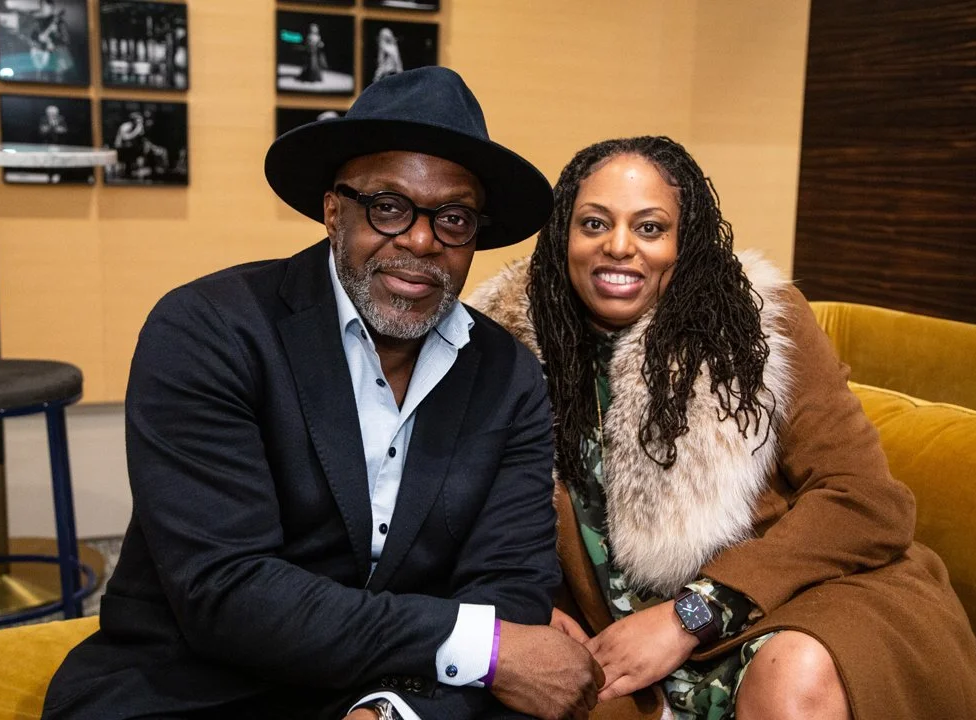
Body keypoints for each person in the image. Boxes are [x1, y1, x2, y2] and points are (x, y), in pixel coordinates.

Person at [43, 67, 603, 720]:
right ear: (335, 211)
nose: (422, 240)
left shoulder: (508, 375)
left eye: (453, 218)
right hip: (194, 683)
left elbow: (510, 583)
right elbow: (227, 591)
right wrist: (476, 645)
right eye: (388, 206)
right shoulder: (208, 330)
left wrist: (390, 710)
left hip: (407, 687)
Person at [468, 135, 976, 720]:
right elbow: (470, 516)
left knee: (789, 680)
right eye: (595, 223)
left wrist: (690, 615)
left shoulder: (757, 325)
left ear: (685, 240)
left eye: (650, 227)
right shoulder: (504, 350)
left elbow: (867, 502)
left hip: (801, 601)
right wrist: (529, 607)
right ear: (563, 236)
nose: (620, 246)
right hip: (633, 644)